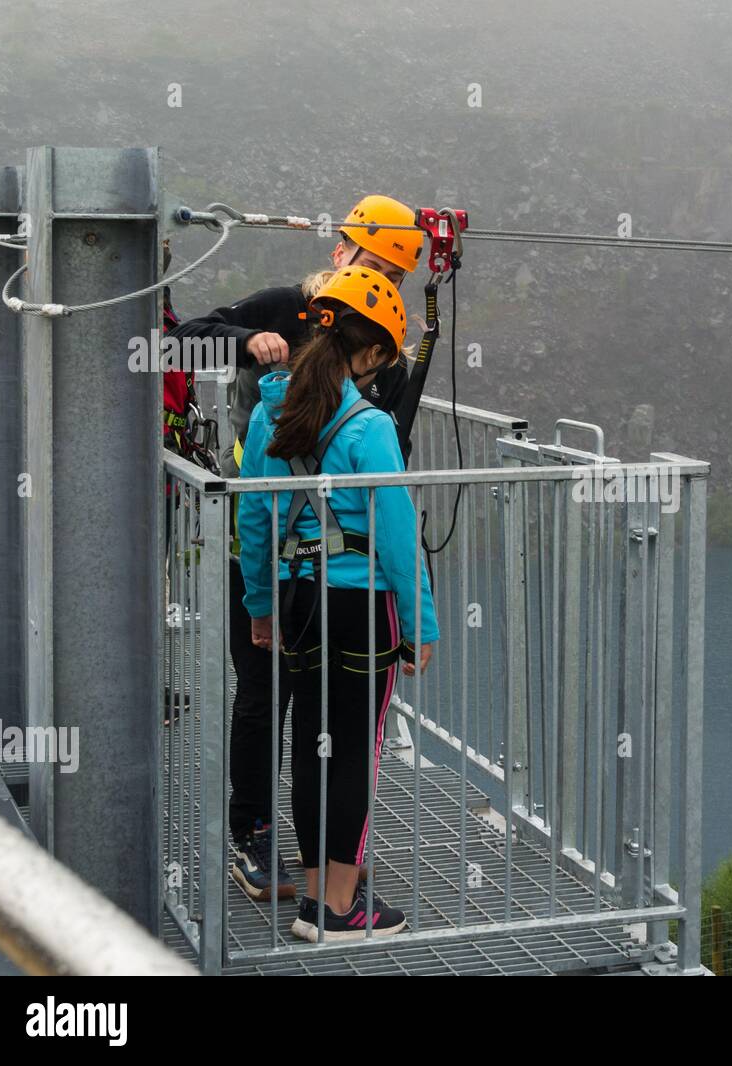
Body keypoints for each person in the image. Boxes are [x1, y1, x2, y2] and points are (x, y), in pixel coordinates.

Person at [166, 195, 426, 900]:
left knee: (319, 709)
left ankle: (324, 860)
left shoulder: (380, 345)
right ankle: (252, 834)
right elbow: (178, 343)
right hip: (265, 537)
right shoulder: (283, 307)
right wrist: (245, 342)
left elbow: (384, 452)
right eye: (373, 263)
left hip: (316, 554)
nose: (381, 282)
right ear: (342, 250)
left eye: (394, 276)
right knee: (263, 690)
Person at [236, 266, 439, 940]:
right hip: (358, 604)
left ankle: (316, 898)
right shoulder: (369, 426)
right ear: (375, 353)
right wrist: (419, 625)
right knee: (355, 749)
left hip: (296, 601)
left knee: (312, 743)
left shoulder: (273, 412)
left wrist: (261, 606)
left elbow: (257, 522)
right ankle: (340, 907)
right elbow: (397, 534)